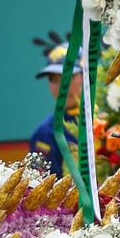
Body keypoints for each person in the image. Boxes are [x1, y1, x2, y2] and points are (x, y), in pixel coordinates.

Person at [28, 42, 84, 176]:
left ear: (87, 75)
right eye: (53, 79)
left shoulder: (109, 123)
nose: (61, 86)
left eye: (68, 76)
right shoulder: (44, 134)